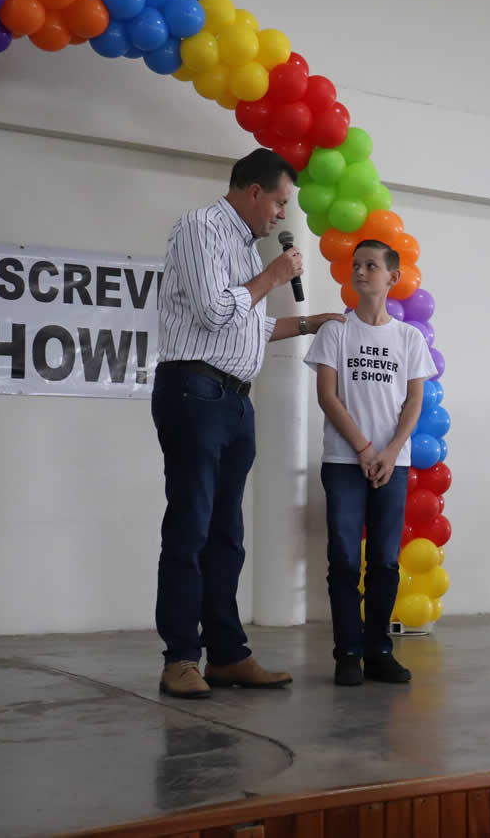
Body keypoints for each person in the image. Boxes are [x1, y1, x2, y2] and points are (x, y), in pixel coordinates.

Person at [153, 149, 343, 699]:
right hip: (194, 392)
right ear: (253, 190)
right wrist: (275, 273)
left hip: (235, 401)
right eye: (281, 201)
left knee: (227, 535)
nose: (282, 215)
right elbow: (216, 311)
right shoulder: (200, 229)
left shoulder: (242, 246)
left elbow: (248, 325)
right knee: (190, 527)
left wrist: (312, 320)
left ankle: (227, 654)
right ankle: (180, 658)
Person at [305, 240, 439, 686]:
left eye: (370, 265)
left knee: (383, 560)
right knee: (344, 558)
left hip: (392, 465)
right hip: (344, 461)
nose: (361, 272)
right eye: (356, 265)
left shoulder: (408, 338)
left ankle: (379, 650)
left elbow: (414, 401)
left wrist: (389, 451)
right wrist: (363, 448)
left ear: (392, 277)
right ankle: (347, 653)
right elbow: (328, 396)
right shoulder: (336, 332)